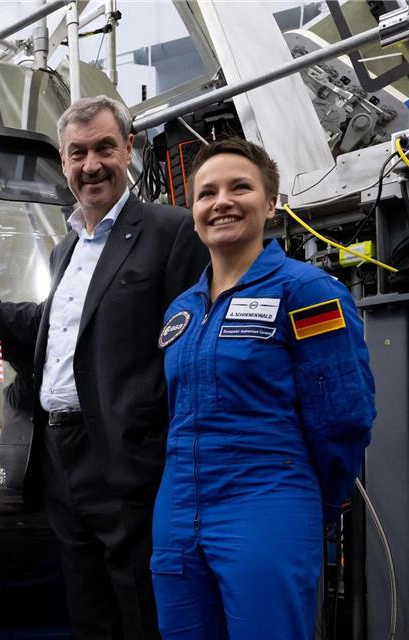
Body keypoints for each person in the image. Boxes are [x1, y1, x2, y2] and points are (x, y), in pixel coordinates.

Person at [0, 95, 208, 640]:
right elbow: (52, 328)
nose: (90, 165)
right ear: (63, 160)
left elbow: (190, 352)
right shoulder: (68, 247)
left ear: (129, 150)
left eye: (103, 149)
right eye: (77, 153)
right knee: (88, 611)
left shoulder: (172, 232)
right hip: (59, 457)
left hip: (126, 459)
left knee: (141, 610)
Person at [151, 138, 375, 639]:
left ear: (269, 202)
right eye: (207, 193)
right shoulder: (181, 311)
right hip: (177, 509)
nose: (222, 201)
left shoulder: (307, 292)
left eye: (241, 187)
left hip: (266, 501)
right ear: (192, 212)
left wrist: (322, 499)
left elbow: (344, 413)